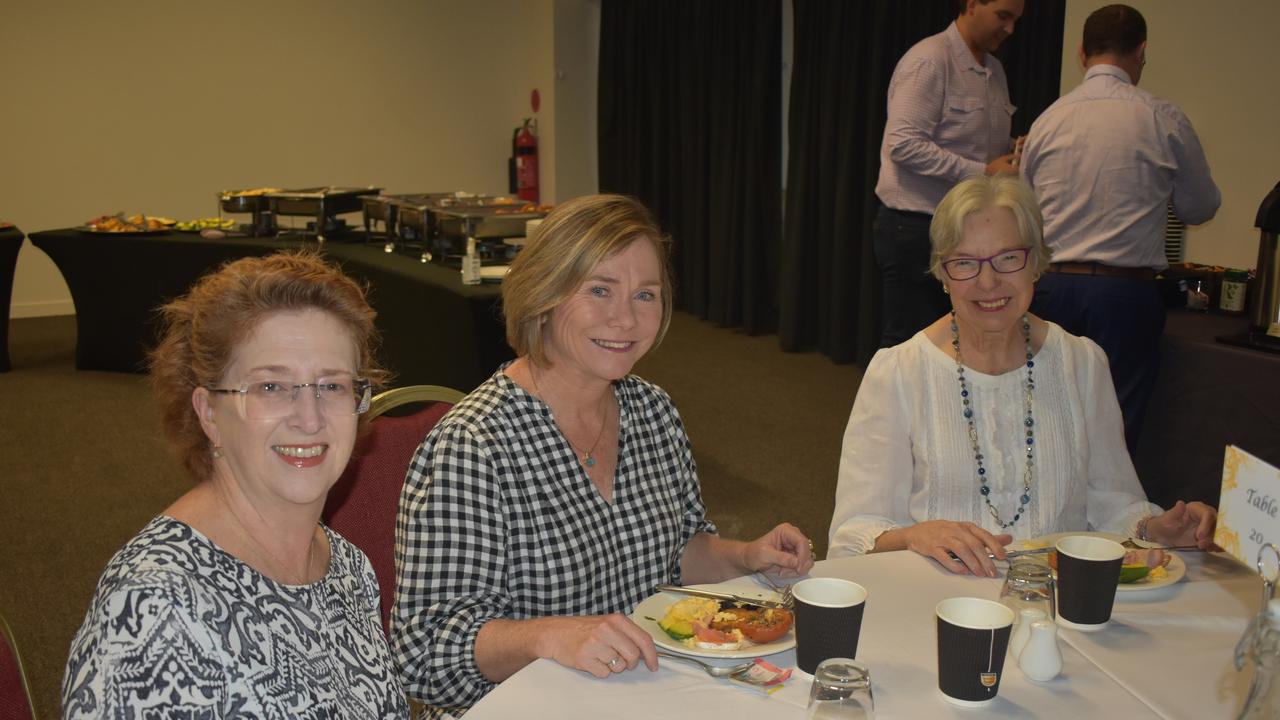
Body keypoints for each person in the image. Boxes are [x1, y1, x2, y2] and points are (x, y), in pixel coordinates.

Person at [393, 194, 815, 717]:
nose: (625, 319)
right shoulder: (474, 447)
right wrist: (548, 637)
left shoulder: (652, 410)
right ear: (544, 294)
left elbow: (676, 551)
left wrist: (746, 556)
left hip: (640, 690)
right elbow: (425, 653)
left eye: (645, 295)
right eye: (599, 290)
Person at [62, 252, 409, 718]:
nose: (309, 418)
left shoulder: (345, 566)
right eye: (270, 387)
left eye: (332, 386)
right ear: (209, 413)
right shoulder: (157, 610)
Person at [828, 175, 1217, 577]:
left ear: (1036, 263)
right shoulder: (898, 373)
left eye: (1008, 258)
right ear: (942, 275)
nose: (988, 281)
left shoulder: (1082, 363)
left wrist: (1157, 530)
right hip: (940, 606)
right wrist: (914, 536)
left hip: (1059, 605)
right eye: (964, 263)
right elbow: (852, 534)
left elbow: (1114, 504)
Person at [1021, 4, 1220, 456]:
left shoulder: (1048, 120)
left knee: (1043, 414)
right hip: (1124, 295)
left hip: (1050, 287)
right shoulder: (1162, 117)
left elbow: (1025, 212)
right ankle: (1105, 525)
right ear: (1141, 51)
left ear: (1082, 52)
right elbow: (1200, 207)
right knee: (1115, 425)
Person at [874, 0, 1025, 348]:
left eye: (1016, 20)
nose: (1010, 30)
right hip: (915, 226)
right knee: (910, 343)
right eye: (1003, 17)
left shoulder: (995, 71)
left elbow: (981, 146)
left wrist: (1018, 149)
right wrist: (984, 172)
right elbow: (903, 144)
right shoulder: (930, 60)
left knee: (955, 342)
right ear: (972, 4)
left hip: (966, 226)